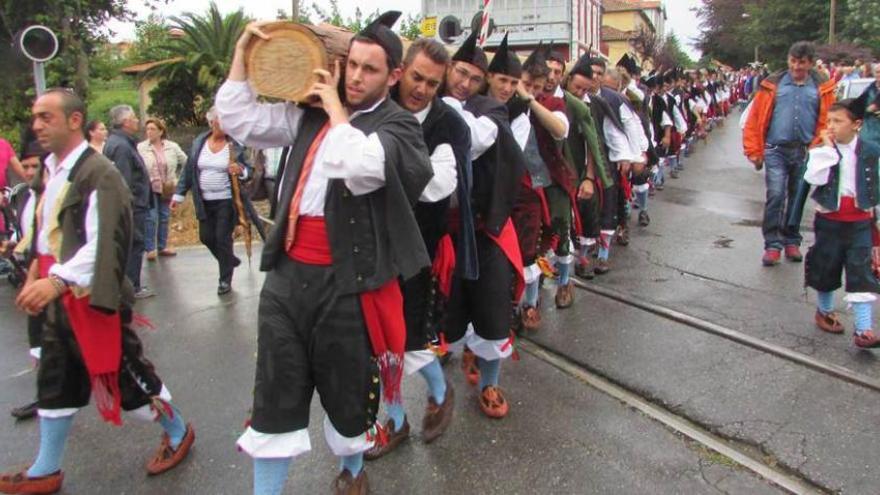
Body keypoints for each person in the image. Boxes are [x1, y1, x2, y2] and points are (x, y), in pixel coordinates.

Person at [216, 12, 433, 494]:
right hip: (288, 276)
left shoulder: (401, 128)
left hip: (348, 284)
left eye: (370, 70)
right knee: (274, 391)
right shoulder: (308, 114)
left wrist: (336, 108)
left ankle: (354, 472)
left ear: (393, 76)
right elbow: (241, 119)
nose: (356, 77)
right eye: (351, 64)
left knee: (347, 391)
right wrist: (240, 58)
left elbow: (360, 165)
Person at [0, 88, 194, 495]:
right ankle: (45, 468)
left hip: (92, 297)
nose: (36, 125)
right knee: (55, 380)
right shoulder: (50, 168)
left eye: (45, 117)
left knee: (129, 382)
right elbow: (45, 224)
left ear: (74, 121)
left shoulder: (100, 173)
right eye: (35, 117)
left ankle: (177, 430)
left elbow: (106, 242)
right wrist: (37, 263)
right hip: (57, 298)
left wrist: (57, 279)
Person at [364, 37, 471, 459]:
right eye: (416, 77)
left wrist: (379, 164)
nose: (422, 89)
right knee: (375, 339)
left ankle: (440, 393)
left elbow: (441, 186)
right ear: (400, 71)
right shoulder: (378, 102)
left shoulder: (449, 125)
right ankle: (394, 418)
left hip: (415, 250)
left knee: (404, 339)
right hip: (369, 245)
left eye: (431, 82)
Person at [441, 30, 525, 419]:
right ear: (448, 69)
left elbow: (470, 140)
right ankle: (438, 380)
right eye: (460, 73)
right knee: (441, 310)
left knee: (493, 310)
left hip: (483, 227)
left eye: (474, 78)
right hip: (442, 230)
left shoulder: (491, 111)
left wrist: (444, 107)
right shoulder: (423, 103)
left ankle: (490, 381)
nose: (465, 84)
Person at [743, 41, 836, 267]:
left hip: (805, 151)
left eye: (801, 63)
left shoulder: (821, 87)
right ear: (788, 60)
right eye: (793, 61)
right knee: (776, 195)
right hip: (775, 150)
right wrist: (754, 150)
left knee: (796, 198)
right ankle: (772, 245)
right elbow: (754, 120)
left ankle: (791, 240)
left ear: (811, 63)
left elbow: (828, 121)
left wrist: (819, 144)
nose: (796, 67)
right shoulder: (773, 85)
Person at [802, 99, 880, 349]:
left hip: (859, 221)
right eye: (829, 121)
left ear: (856, 124)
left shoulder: (871, 151)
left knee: (861, 272)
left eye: (838, 121)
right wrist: (827, 149)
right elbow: (814, 177)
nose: (831, 126)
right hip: (829, 220)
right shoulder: (823, 150)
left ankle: (864, 329)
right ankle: (824, 311)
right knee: (826, 265)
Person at [171, 110, 251, 296]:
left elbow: (249, 169)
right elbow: (189, 169)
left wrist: (240, 170)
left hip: (226, 200)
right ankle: (229, 260)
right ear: (211, 123)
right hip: (204, 200)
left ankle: (225, 279)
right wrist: (179, 194)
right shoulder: (199, 142)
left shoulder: (234, 145)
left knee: (222, 239)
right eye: (221, 121)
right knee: (206, 237)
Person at [6, 136, 45, 422]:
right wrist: (15, 245)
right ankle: (46, 396)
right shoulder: (24, 195)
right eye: (26, 166)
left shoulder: (60, 195)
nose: (29, 172)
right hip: (37, 284)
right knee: (39, 340)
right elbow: (30, 234)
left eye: (35, 166)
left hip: (62, 285)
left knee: (114, 363)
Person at [103, 105, 154, 297]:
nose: (137, 121)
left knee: (131, 244)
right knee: (134, 244)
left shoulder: (119, 142)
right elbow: (124, 181)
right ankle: (131, 286)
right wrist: (131, 207)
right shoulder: (121, 146)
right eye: (134, 118)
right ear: (125, 122)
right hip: (132, 207)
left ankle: (129, 284)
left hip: (133, 205)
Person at [139, 118, 187, 261]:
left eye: (153, 129)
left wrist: (178, 179)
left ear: (161, 131)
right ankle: (150, 248)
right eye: (147, 129)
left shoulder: (172, 146)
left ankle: (162, 246)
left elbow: (187, 161)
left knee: (164, 216)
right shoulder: (141, 147)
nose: (149, 132)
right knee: (151, 217)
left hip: (167, 186)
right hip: (150, 187)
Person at [855, 62, 880, 145]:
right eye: (877, 72)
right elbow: (859, 107)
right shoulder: (869, 90)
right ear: (874, 74)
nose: (879, 74)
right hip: (868, 134)